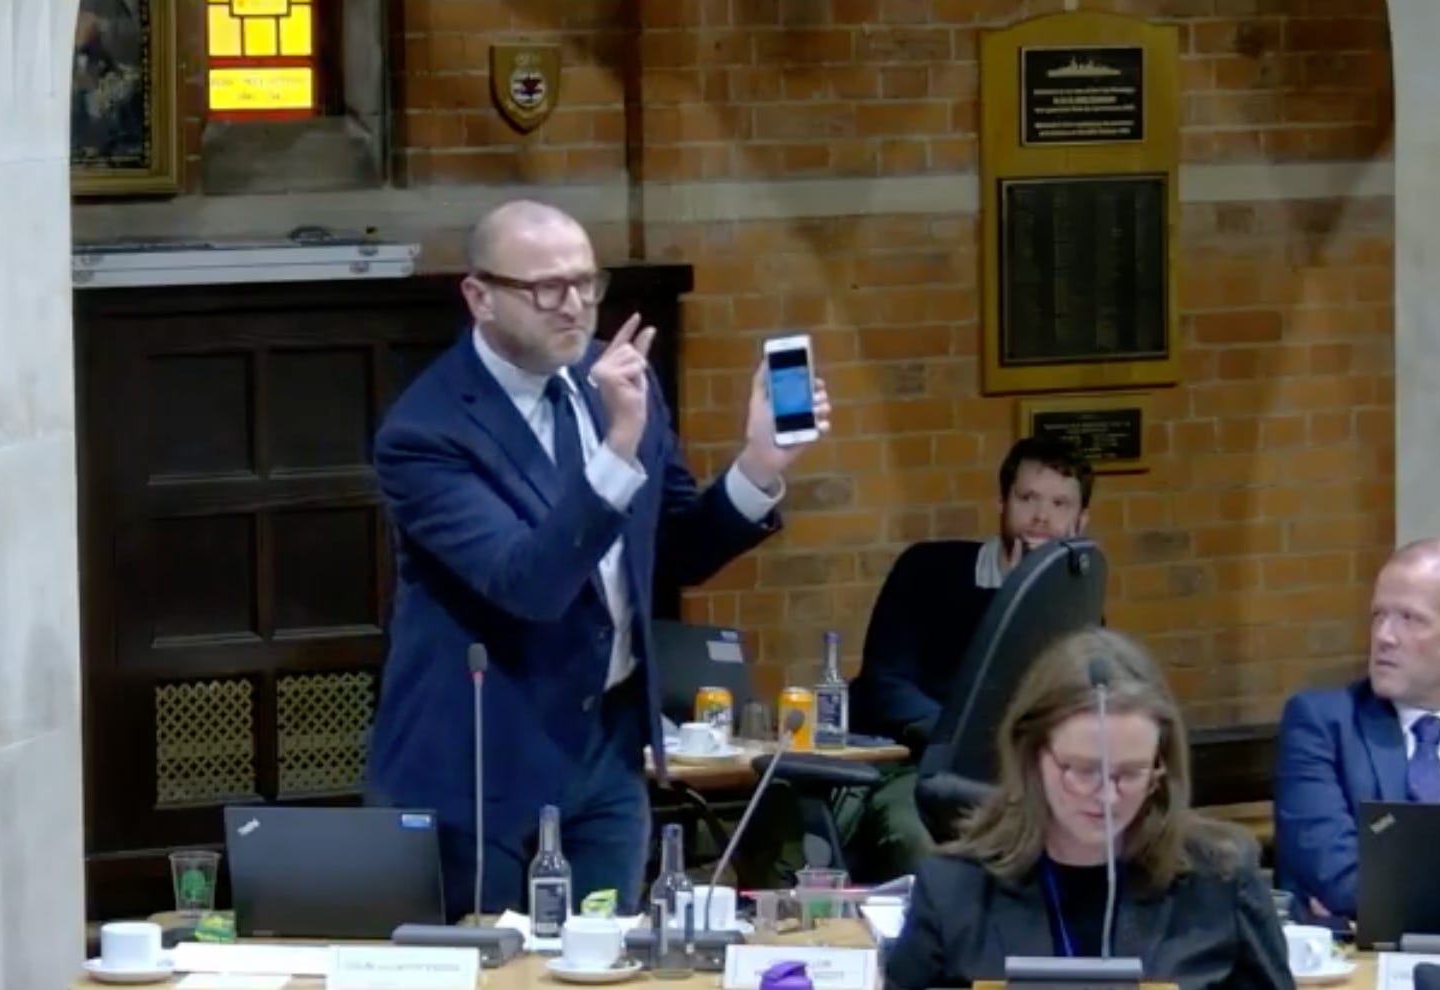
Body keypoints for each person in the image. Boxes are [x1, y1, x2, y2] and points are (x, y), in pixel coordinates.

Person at [363, 199, 831, 919]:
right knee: (491, 965)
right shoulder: (427, 431)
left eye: (586, 282)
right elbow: (529, 583)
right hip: (476, 764)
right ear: (480, 297)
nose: (574, 306)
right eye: (546, 288)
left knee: (606, 956)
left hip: (606, 750)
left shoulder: (615, 382)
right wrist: (616, 448)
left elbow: (673, 549)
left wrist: (758, 467)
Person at [884, 627, 1290, 990]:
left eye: (1130, 773)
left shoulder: (1222, 876)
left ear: (1161, 765)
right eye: (1082, 770)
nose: (1107, 797)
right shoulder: (952, 890)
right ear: (1031, 754)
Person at [841, 436, 1094, 882]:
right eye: (1028, 498)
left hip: (1018, 778)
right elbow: (886, 686)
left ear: (1080, 522)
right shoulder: (928, 570)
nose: (1041, 515)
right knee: (916, 841)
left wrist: (1027, 601)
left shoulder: (1073, 603)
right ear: (1001, 503)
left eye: (1059, 504)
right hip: (916, 767)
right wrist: (965, 740)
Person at [1273, 538, 1440, 924]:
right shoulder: (1323, 725)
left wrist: (1384, 902)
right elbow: (1338, 881)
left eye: (1409, 619)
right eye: (1378, 615)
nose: (1384, 636)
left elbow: (1370, 898)